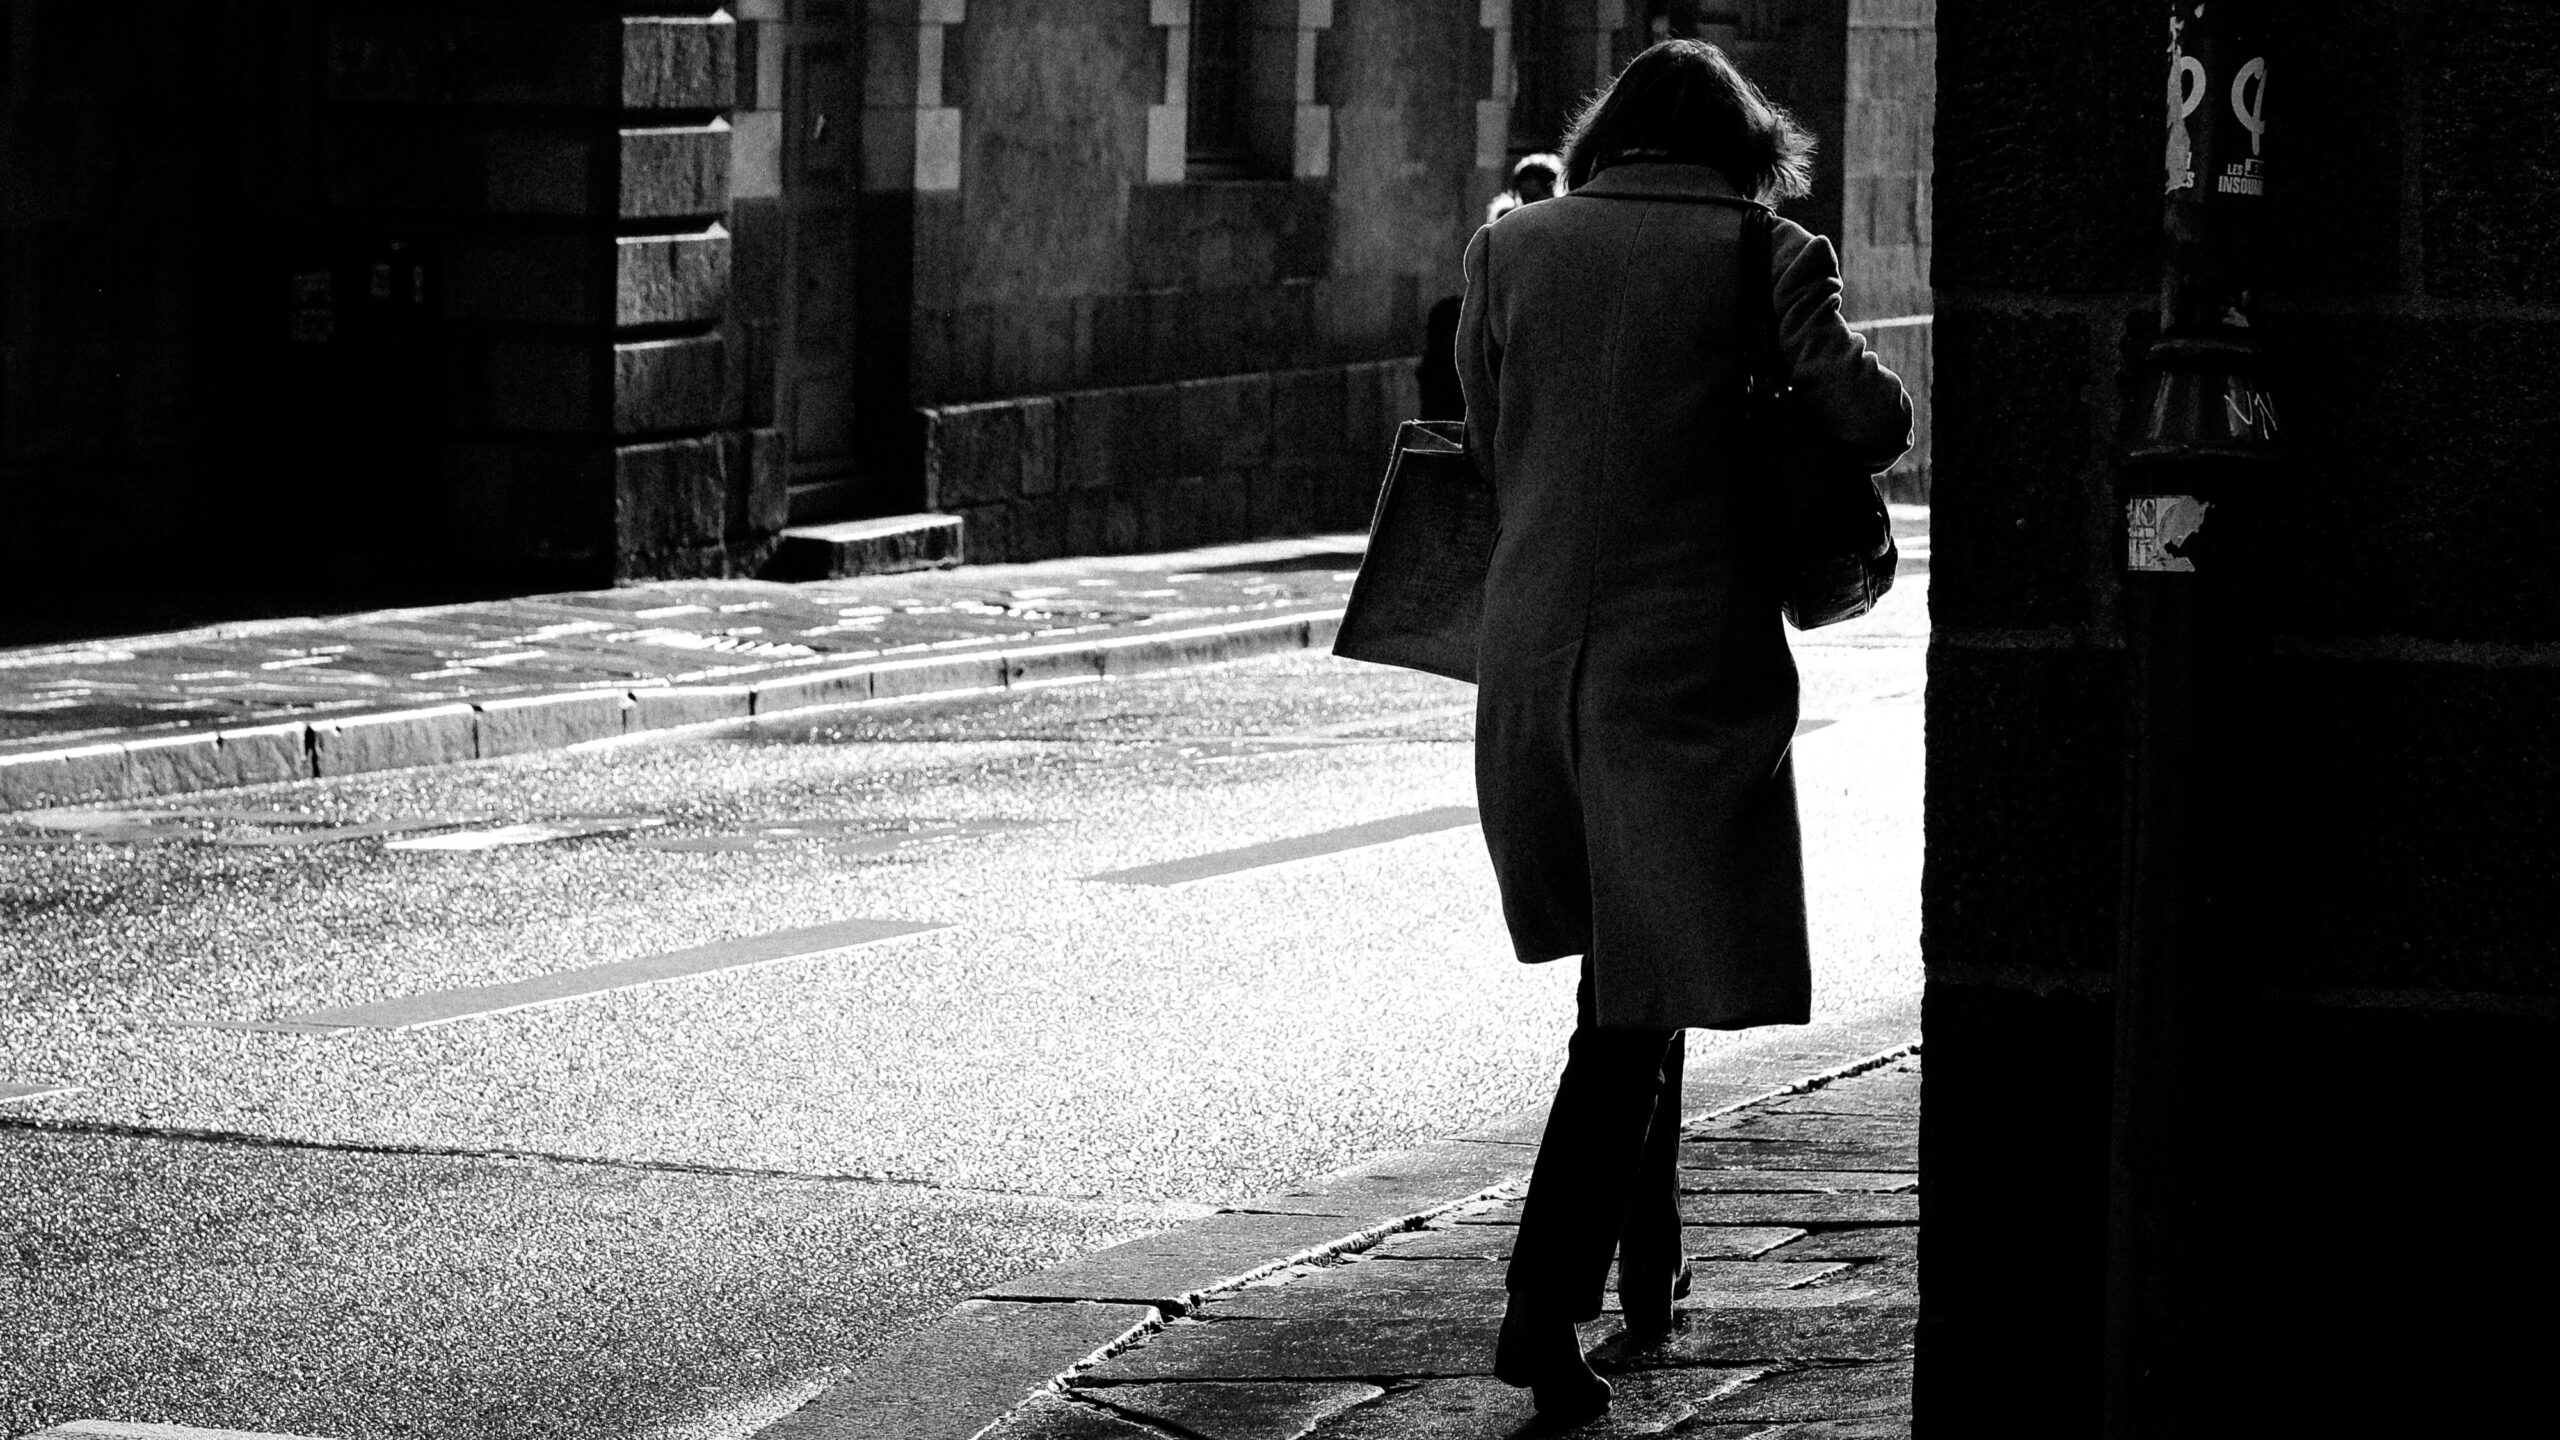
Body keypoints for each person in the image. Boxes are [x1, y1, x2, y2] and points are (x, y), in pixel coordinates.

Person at [1455, 40, 1911, 1425]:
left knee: (1639, 964)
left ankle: (1647, 1261)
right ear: (1740, 147)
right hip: (1682, 666)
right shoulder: (1762, 251)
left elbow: (1487, 438)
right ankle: (1543, 1305)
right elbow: (1871, 421)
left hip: (1531, 657)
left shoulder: (1513, 249)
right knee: (1637, 999)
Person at [1423, 154, 1569, 420]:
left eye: (1534, 197)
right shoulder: (1506, 229)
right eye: (1523, 198)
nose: (1527, 205)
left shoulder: (1565, 234)